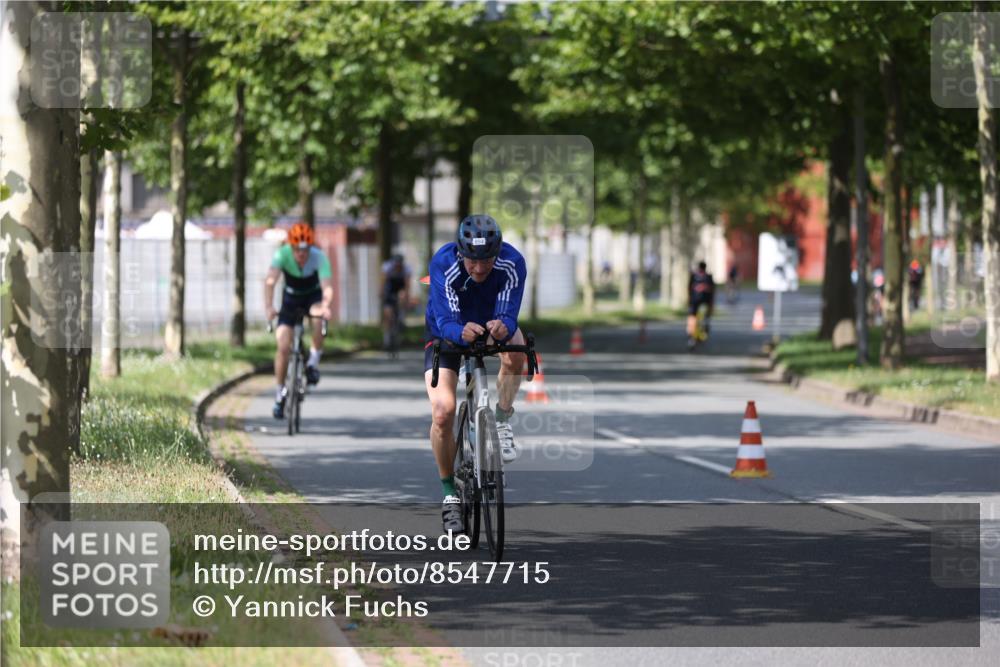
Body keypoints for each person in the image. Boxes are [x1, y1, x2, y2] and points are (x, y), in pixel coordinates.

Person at [424, 214, 527, 533]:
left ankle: (502, 419)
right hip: (447, 331)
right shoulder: (443, 263)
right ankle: (449, 494)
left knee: (518, 349)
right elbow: (445, 320)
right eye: (472, 261)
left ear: (498, 253)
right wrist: (459, 332)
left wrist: (503, 325)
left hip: (490, 323)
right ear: (460, 253)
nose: (480, 269)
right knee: (443, 412)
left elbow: (509, 312)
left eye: (487, 261)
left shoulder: (513, 262)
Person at [264, 222, 334, 419]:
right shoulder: (282, 255)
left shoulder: (319, 257)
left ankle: (312, 363)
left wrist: (325, 305)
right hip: (291, 299)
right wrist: (269, 307)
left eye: (305, 250)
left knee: (318, 320)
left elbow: (327, 287)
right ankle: (280, 394)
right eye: (297, 249)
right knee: (283, 346)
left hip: (312, 297)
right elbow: (270, 281)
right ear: (291, 247)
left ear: (310, 247)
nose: (301, 254)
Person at [380, 253, 412, 349]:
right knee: (387, 313)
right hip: (390, 288)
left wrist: (406, 297)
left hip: (400, 287)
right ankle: (386, 339)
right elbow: (383, 281)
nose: (397, 267)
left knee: (402, 295)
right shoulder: (387, 267)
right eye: (396, 265)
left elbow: (407, 285)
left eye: (399, 265)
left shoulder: (406, 269)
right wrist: (382, 292)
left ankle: (401, 317)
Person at [687, 261, 715, 343]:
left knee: (693, 316)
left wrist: (689, 299)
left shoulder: (694, 276)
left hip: (695, 300)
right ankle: (703, 329)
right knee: (704, 316)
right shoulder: (708, 277)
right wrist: (712, 303)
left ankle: (691, 333)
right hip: (705, 300)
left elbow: (689, 288)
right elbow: (712, 291)